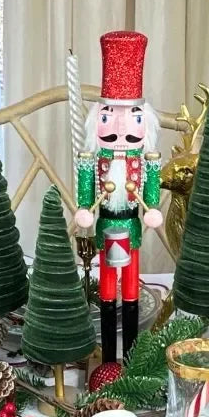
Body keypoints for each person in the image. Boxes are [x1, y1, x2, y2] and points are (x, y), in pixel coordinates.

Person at [74, 32, 162, 360]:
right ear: (98, 118)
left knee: (131, 291)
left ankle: (132, 358)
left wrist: (153, 209)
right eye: (111, 115)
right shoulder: (93, 161)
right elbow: (86, 192)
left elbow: (152, 194)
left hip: (132, 228)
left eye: (131, 116)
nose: (120, 127)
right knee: (108, 289)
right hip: (106, 227)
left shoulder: (146, 161)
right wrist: (83, 209)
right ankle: (109, 357)